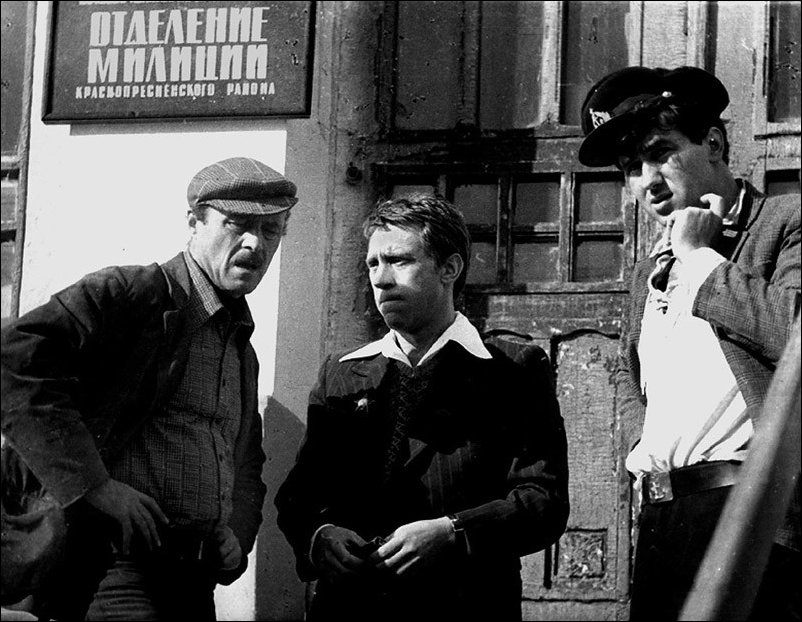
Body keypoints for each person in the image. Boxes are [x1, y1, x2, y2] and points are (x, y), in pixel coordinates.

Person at [1, 157, 298, 620]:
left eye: (271, 230)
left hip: (192, 580)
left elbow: (246, 459)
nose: (254, 243)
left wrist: (237, 536)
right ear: (194, 223)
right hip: (110, 569)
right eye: (236, 224)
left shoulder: (241, 346)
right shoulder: (129, 294)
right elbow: (13, 361)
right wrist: (96, 486)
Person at [274, 194, 569, 620]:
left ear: (450, 268)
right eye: (373, 264)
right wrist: (320, 536)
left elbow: (544, 501)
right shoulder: (342, 373)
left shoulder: (512, 370)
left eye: (398, 260)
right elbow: (299, 496)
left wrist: (453, 532)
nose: (381, 279)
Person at [577, 66, 800, 620]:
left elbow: (794, 331)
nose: (647, 181)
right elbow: (630, 376)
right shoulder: (646, 270)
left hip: (755, 515)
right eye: (631, 169)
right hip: (664, 520)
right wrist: (644, 449)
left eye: (661, 154)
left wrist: (700, 258)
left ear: (714, 143)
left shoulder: (785, 222)